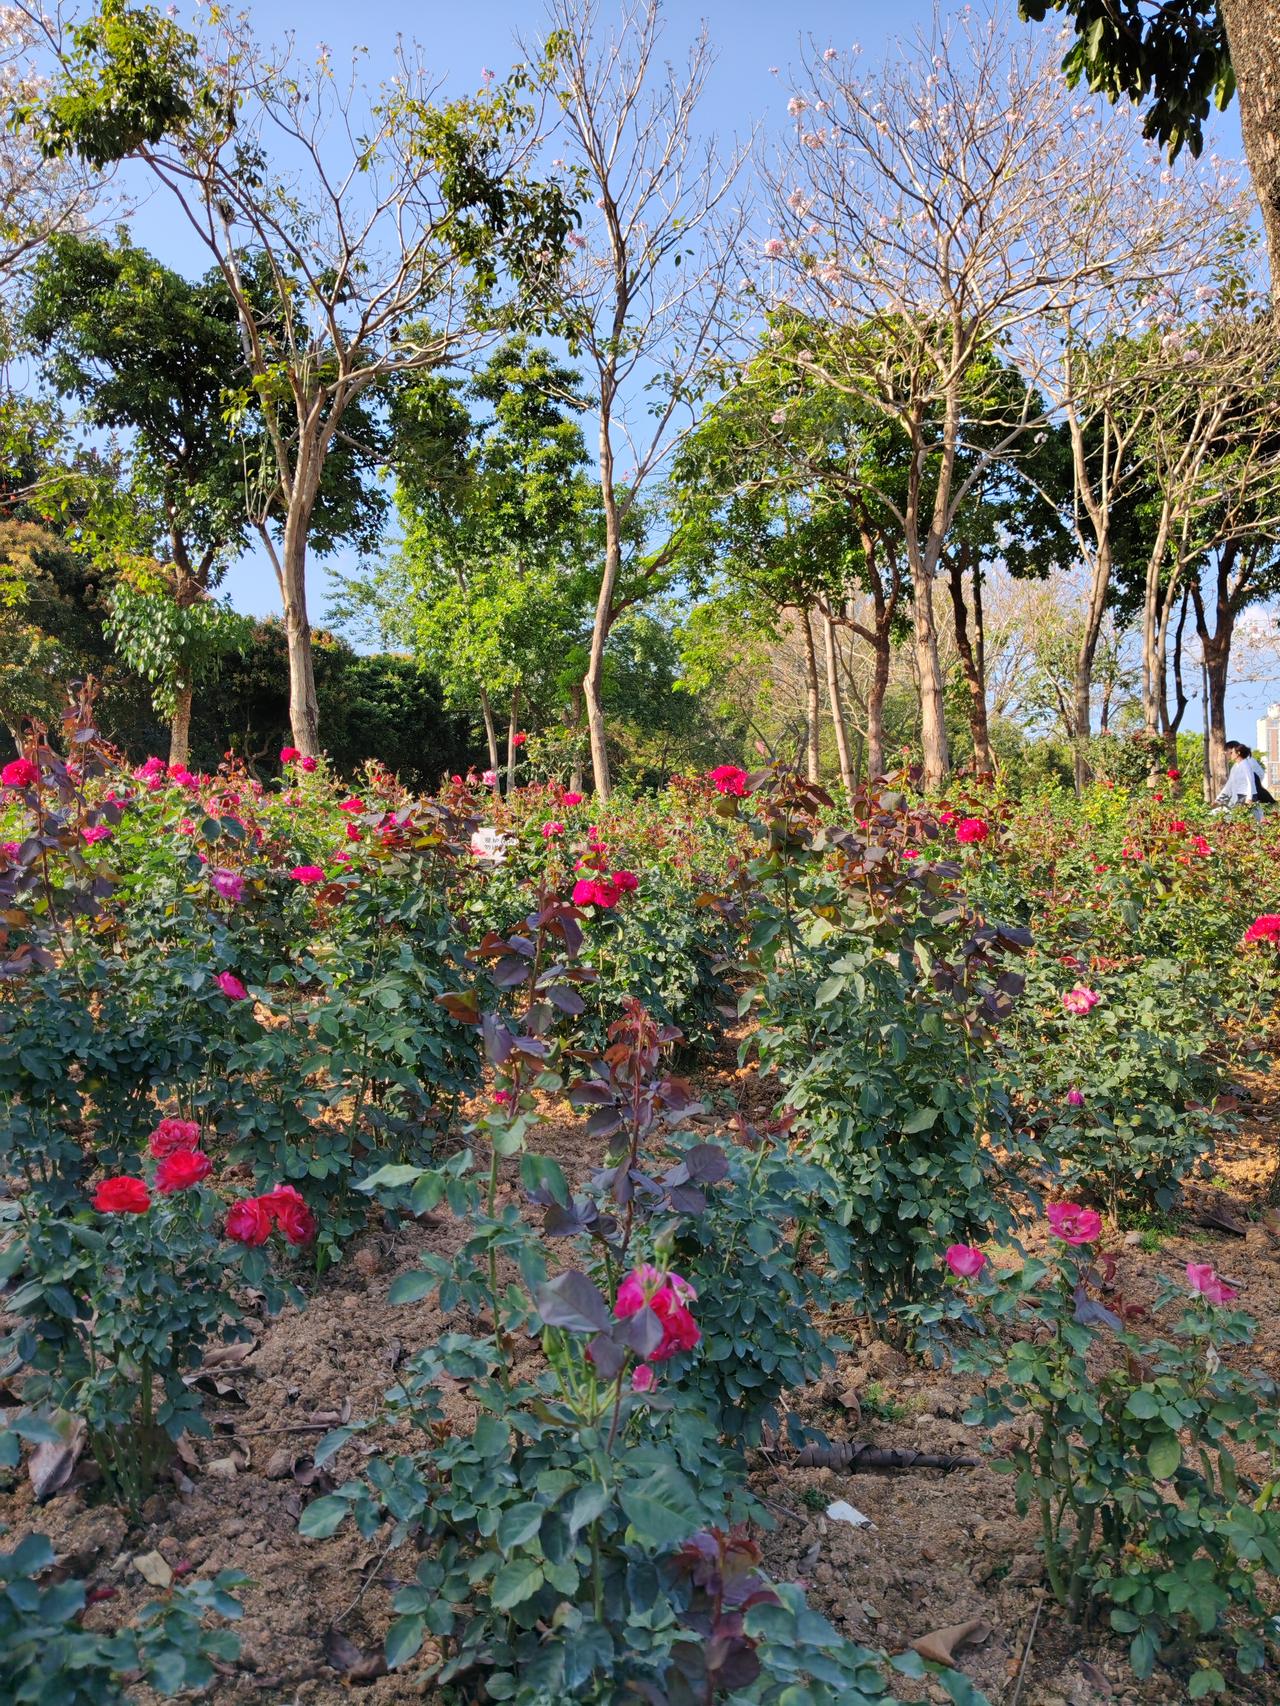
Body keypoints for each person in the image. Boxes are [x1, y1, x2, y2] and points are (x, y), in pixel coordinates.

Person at [1215, 740, 1269, 820]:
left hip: (1247, 798)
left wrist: (1249, 798)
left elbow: (1250, 781)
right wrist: (1219, 799)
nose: (1226, 754)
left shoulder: (1246, 764)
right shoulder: (1235, 766)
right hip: (1240, 797)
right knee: (1242, 821)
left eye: (1229, 752)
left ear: (1238, 752)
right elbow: (1229, 785)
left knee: (1250, 821)